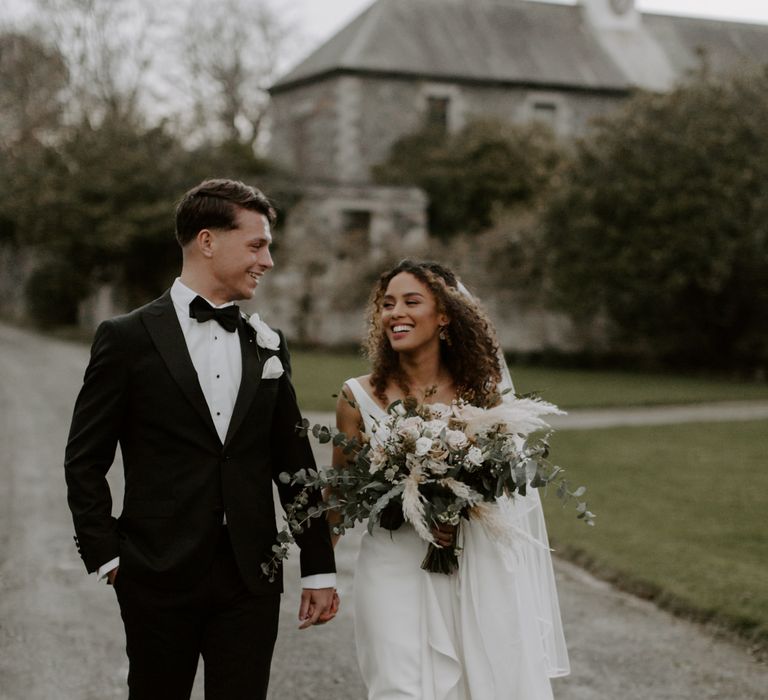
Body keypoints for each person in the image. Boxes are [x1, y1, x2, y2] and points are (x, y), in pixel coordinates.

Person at [64, 178, 337, 700]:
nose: (268, 260)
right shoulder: (126, 339)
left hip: (251, 577)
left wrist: (319, 567)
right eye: (257, 245)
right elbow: (84, 459)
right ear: (208, 241)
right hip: (155, 573)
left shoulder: (269, 344)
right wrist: (109, 556)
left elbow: (293, 462)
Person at [333, 259, 569, 700]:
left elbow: (504, 479)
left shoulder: (483, 393)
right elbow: (339, 492)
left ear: (444, 316)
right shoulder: (357, 395)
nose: (395, 313)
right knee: (397, 686)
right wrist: (318, 576)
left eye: (410, 302)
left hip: (471, 564)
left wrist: (458, 506)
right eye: (386, 304)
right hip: (391, 561)